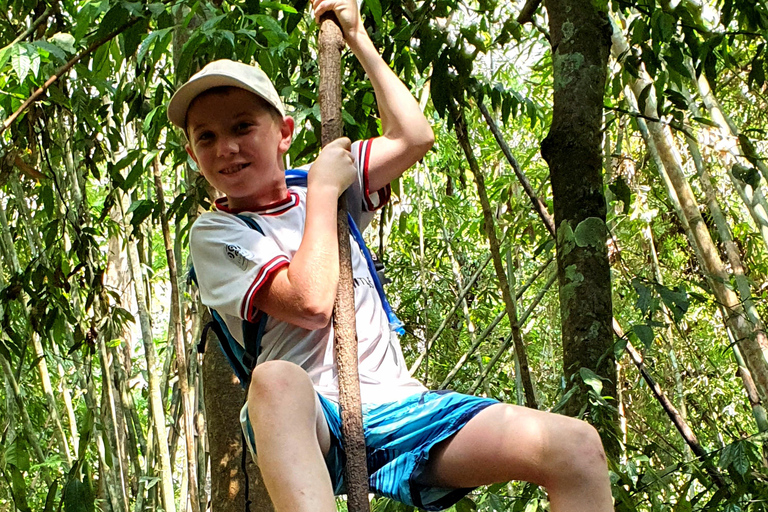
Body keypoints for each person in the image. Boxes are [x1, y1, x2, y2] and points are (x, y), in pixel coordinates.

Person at [167, 0, 614, 510]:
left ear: (284, 133)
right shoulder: (217, 233)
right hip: (311, 421)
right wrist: (326, 191)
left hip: (400, 405)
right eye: (207, 137)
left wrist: (358, 38)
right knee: (273, 379)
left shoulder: (319, 184)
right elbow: (312, 301)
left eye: (242, 126)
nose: (226, 148)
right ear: (193, 154)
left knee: (575, 447)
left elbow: (413, 136)